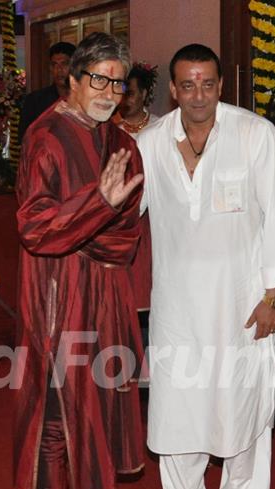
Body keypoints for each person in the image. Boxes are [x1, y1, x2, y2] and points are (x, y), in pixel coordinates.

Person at [136, 44, 275, 489]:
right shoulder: (151, 142)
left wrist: (274, 295)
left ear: (222, 85)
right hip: (177, 307)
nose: (198, 94)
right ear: (173, 90)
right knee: (178, 409)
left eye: (207, 83)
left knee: (243, 409)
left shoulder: (255, 135)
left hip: (241, 303)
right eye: (188, 85)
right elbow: (119, 215)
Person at [14, 32, 145, 489]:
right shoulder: (44, 137)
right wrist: (97, 209)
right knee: (55, 421)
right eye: (99, 79)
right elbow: (36, 228)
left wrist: (94, 222)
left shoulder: (120, 141)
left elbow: (128, 228)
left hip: (106, 295)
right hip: (56, 297)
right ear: (72, 79)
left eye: (118, 82)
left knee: (98, 408)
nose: (110, 91)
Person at [113, 62, 159, 349]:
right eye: (121, 93)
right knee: (125, 294)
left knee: (157, 292)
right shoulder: (109, 131)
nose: (124, 99)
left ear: (144, 94)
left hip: (157, 220)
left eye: (130, 93)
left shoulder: (163, 128)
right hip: (124, 221)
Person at [18, 41, 76, 140]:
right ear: (50, 68)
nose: (59, 70)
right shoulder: (35, 101)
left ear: (75, 66)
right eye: (54, 65)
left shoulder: (84, 100)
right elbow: (25, 138)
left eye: (64, 64)